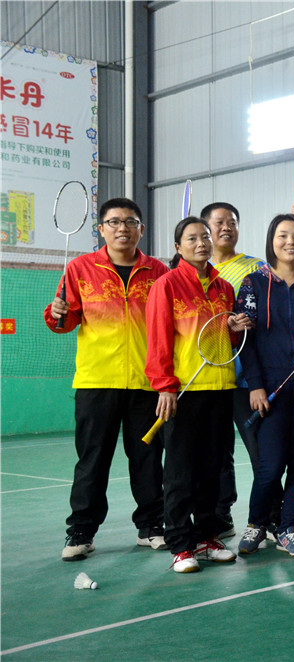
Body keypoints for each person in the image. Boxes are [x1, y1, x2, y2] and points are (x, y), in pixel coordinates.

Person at [45, 198, 169, 561]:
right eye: (114, 222)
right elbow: (64, 323)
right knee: (92, 460)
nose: (122, 228)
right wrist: (56, 313)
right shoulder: (80, 268)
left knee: (147, 458)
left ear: (141, 229)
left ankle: (151, 526)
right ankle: (81, 531)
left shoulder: (159, 272)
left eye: (130, 222)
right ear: (101, 229)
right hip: (96, 381)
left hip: (147, 384)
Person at [145, 216, 252, 573]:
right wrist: (164, 385)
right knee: (180, 472)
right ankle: (180, 544)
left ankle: (207, 537)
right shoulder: (166, 285)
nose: (201, 243)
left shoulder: (223, 287)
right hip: (184, 391)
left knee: (213, 468)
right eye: (192, 238)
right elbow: (158, 338)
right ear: (178, 247)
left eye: (205, 237)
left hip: (220, 388)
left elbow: (225, 340)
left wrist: (233, 327)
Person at [235, 214, 294, 558]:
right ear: (271, 241)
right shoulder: (253, 284)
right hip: (269, 388)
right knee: (270, 464)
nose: (290, 242)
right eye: (282, 235)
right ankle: (256, 522)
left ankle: (287, 527)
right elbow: (245, 339)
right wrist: (256, 385)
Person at [202, 201, 265, 540]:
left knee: (260, 450)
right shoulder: (193, 271)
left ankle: (268, 515)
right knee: (215, 451)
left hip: (243, 378)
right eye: (219, 222)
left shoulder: (255, 268)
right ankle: (220, 514)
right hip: (207, 379)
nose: (226, 227)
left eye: (232, 222)